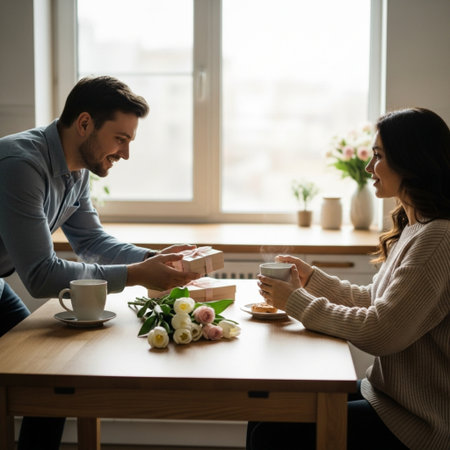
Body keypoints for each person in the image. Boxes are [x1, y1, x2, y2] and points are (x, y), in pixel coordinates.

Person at [0, 76, 200, 449]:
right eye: (120, 139)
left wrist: (153, 260)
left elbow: (91, 241)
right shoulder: (20, 165)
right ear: (85, 123)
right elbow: (42, 276)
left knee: (53, 383)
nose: (125, 154)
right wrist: (136, 275)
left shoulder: (76, 168)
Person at [248, 107, 450, 450]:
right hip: (386, 396)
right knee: (267, 409)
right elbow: (375, 301)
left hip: (418, 421)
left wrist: (295, 301)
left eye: (378, 156)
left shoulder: (438, 238)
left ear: (411, 161)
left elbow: (380, 331)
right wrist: (311, 278)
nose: (370, 167)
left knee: (272, 433)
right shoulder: (415, 227)